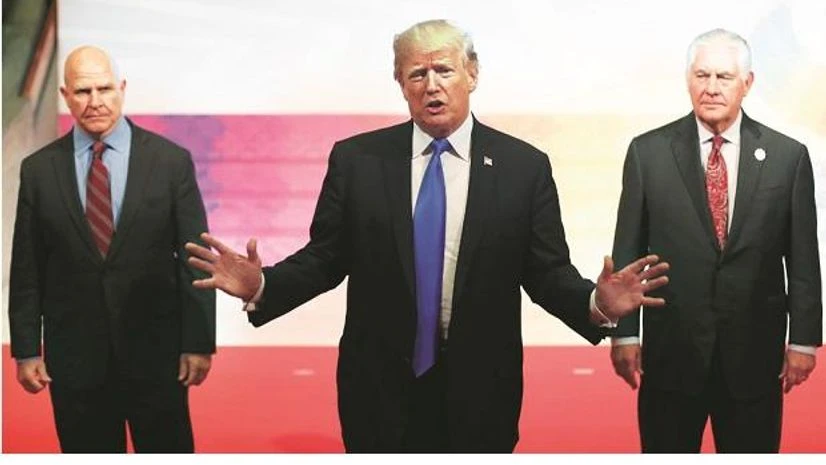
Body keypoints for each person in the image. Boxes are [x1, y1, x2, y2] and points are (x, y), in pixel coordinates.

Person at [186, 19, 668, 453]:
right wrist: (262, 285)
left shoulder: (523, 168)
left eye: (444, 70)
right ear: (400, 83)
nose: (431, 85)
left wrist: (596, 304)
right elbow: (325, 259)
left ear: (472, 74)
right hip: (378, 392)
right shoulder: (357, 161)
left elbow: (545, 273)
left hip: (481, 393)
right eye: (417, 74)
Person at [610, 29, 822, 453]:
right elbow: (627, 250)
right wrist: (625, 335)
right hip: (672, 356)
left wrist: (803, 340)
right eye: (701, 75)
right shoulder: (647, 153)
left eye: (723, 77)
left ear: (747, 83)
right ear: (688, 79)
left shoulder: (788, 158)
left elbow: (803, 259)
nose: (711, 88)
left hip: (754, 359)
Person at [8, 46, 216, 453]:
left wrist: (198, 341)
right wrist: (27, 349)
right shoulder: (38, 171)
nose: (95, 101)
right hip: (75, 361)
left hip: (157, 356)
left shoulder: (170, 162)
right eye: (83, 91)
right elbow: (28, 267)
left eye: (104, 88)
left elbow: (195, 261)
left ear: (121, 88)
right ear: (66, 95)